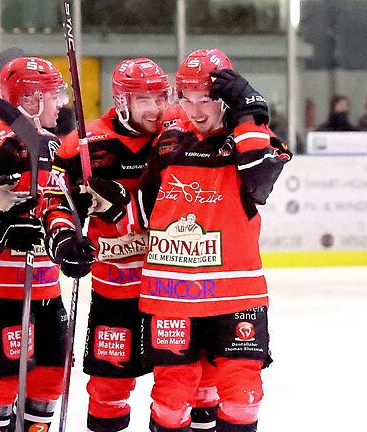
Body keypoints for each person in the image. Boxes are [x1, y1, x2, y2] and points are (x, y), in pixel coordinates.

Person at [120, 48, 291, 432]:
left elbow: (260, 181)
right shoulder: (169, 135)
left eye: (208, 100)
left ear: (227, 101)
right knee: (171, 395)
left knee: (243, 393)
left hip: (236, 292)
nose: (196, 111)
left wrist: (250, 116)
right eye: (187, 99)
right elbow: (144, 202)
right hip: (171, 291)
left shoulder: (250, 134)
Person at [0, 56, 94, 432]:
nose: (61, 104)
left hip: (44, 284)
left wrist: (68, 242)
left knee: (51, 379)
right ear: (30, 101)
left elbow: (55, 204)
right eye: (53, 96)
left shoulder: (52, 145)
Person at [45, 57, 170, 432]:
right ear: (121, 100)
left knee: (182, 383)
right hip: (115, 284)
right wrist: (65, 238)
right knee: (109, 386)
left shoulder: (177, 135)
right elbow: (53, 200)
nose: (157, 108)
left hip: (174, 285)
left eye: (161, 97)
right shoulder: (84, 144)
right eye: (145, 99)